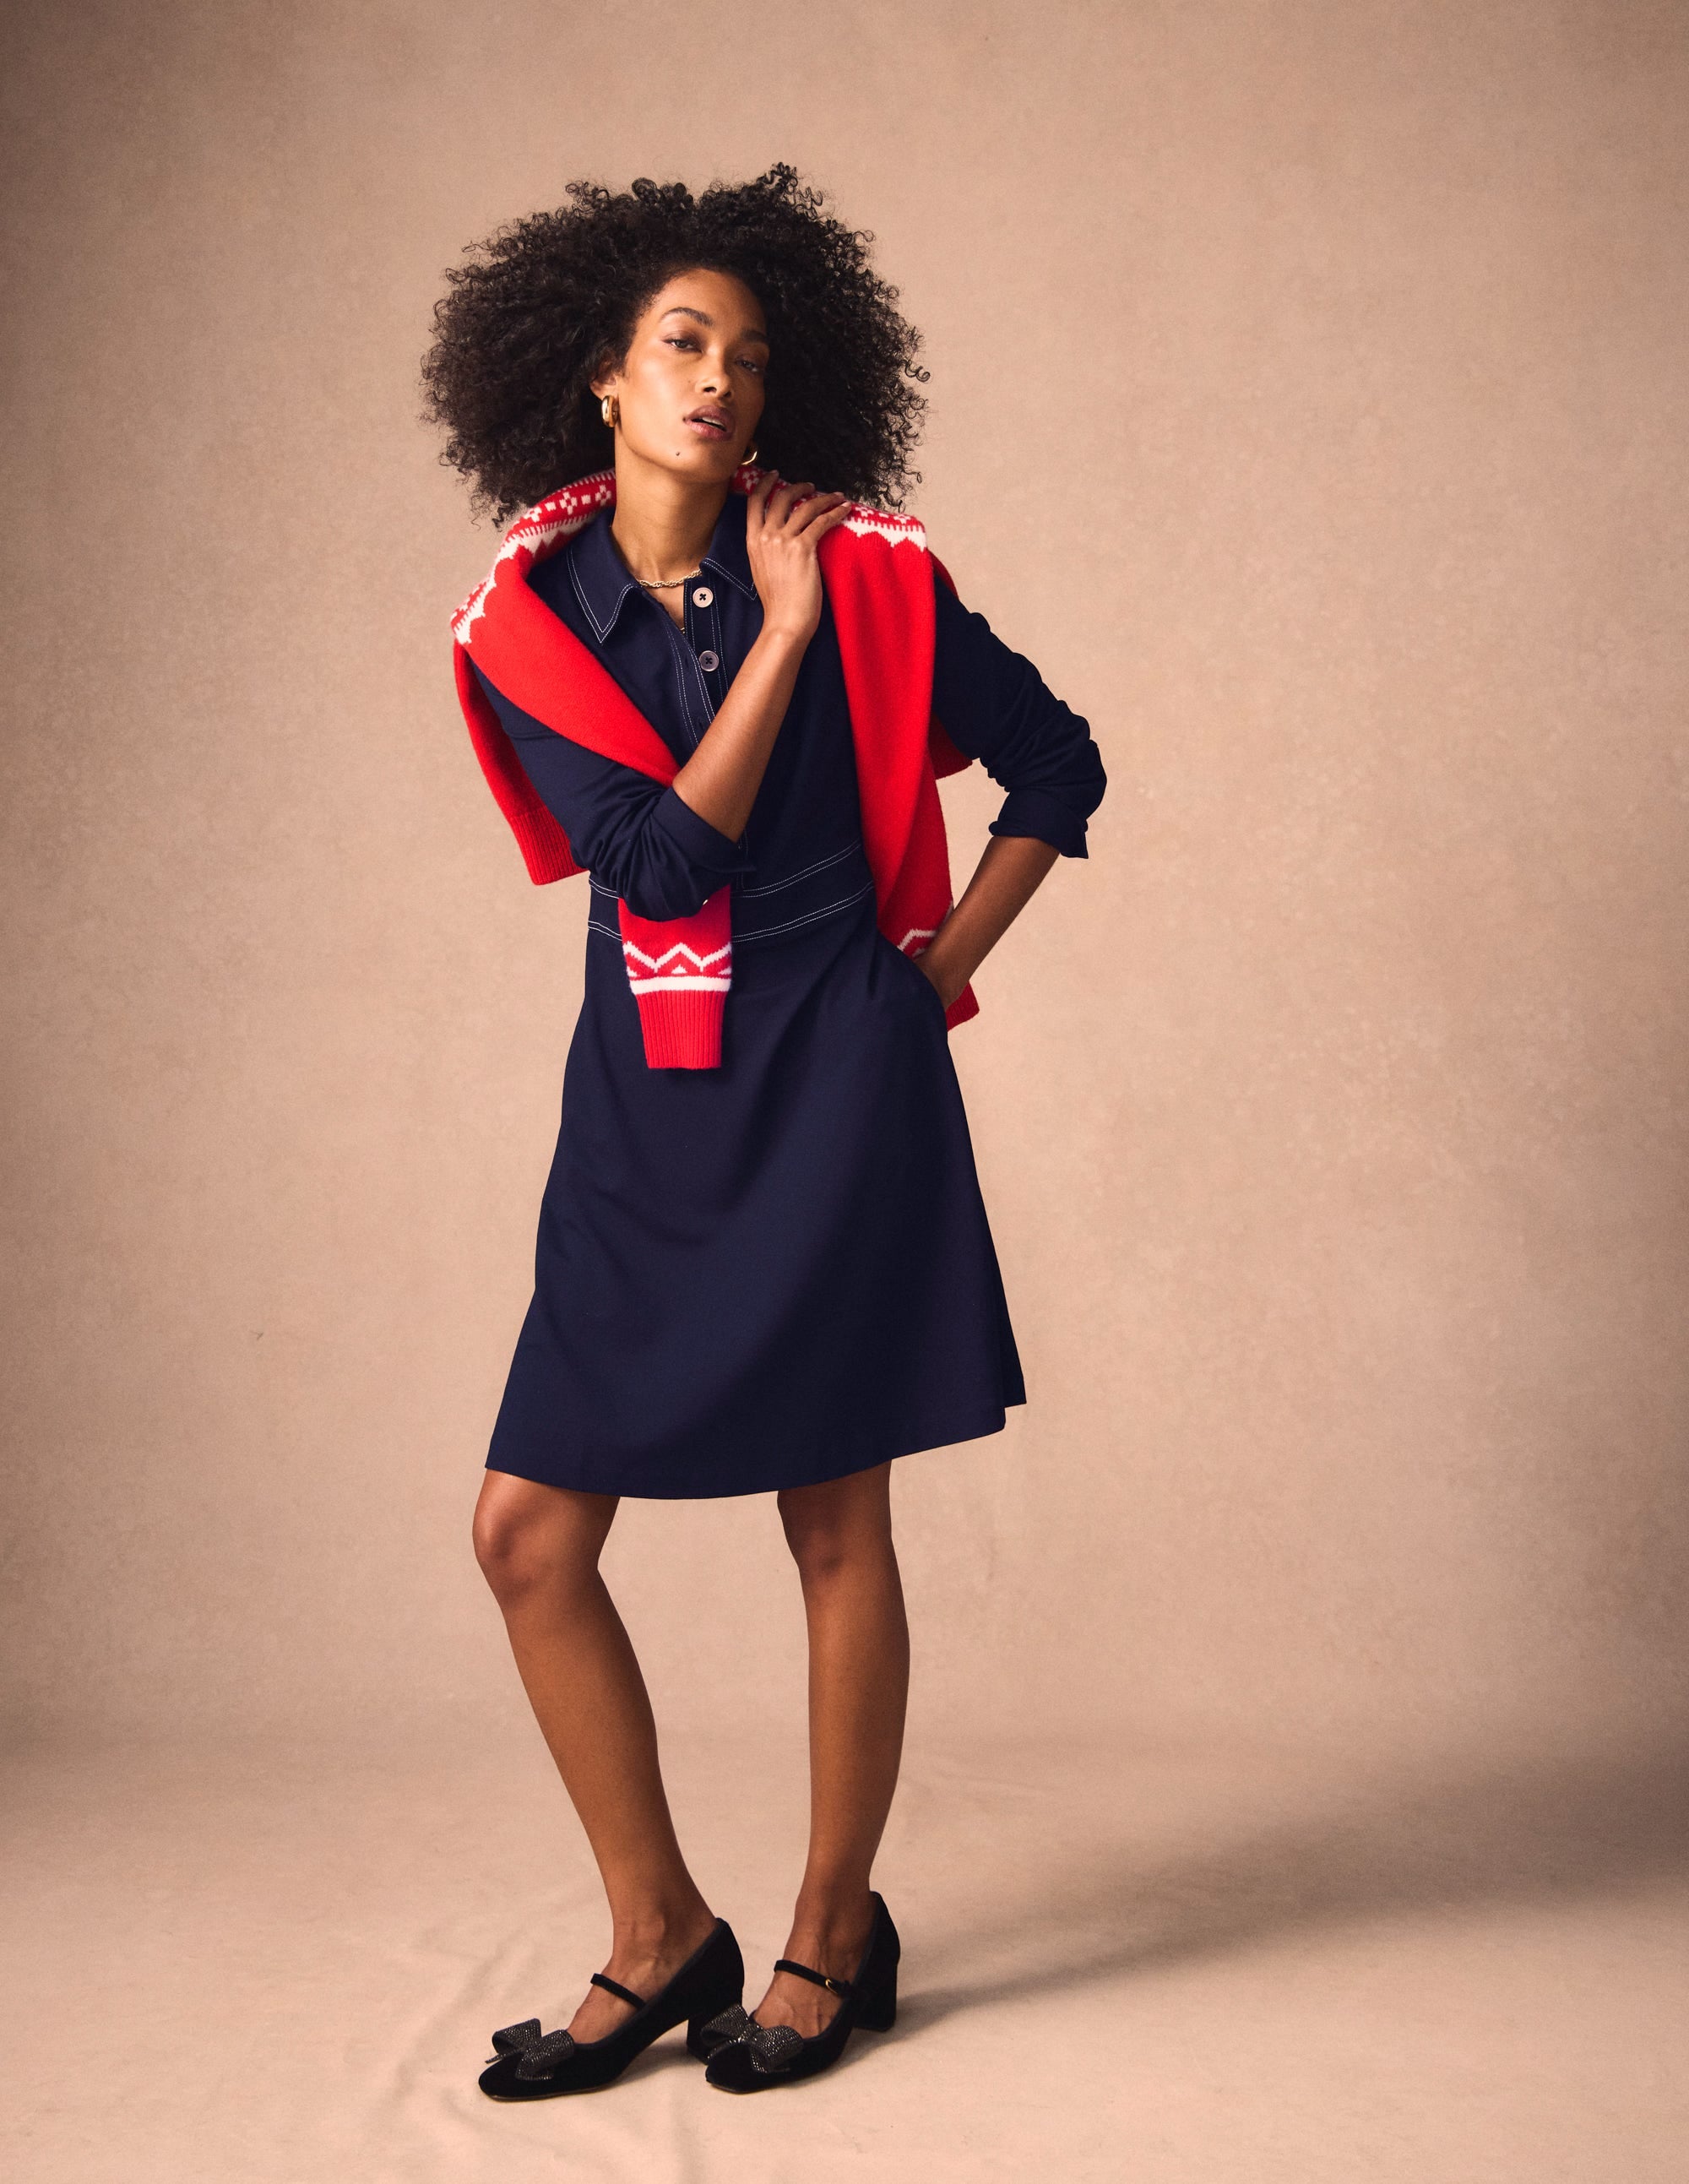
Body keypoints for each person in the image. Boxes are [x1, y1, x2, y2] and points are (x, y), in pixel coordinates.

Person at [421, 166, 1106, 2097]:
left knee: (833, 1521)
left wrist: (931, 974)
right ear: (601, 378)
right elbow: (654, 864)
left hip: (833, 1070)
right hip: (644, 1098)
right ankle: (661, 1935)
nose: (721, 379)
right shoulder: (524, 622)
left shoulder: (866, 569)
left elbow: (1057, 766)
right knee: (526, 1535)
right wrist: (782, 639)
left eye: (747, 353)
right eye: (681, 344)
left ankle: (826, 1929)